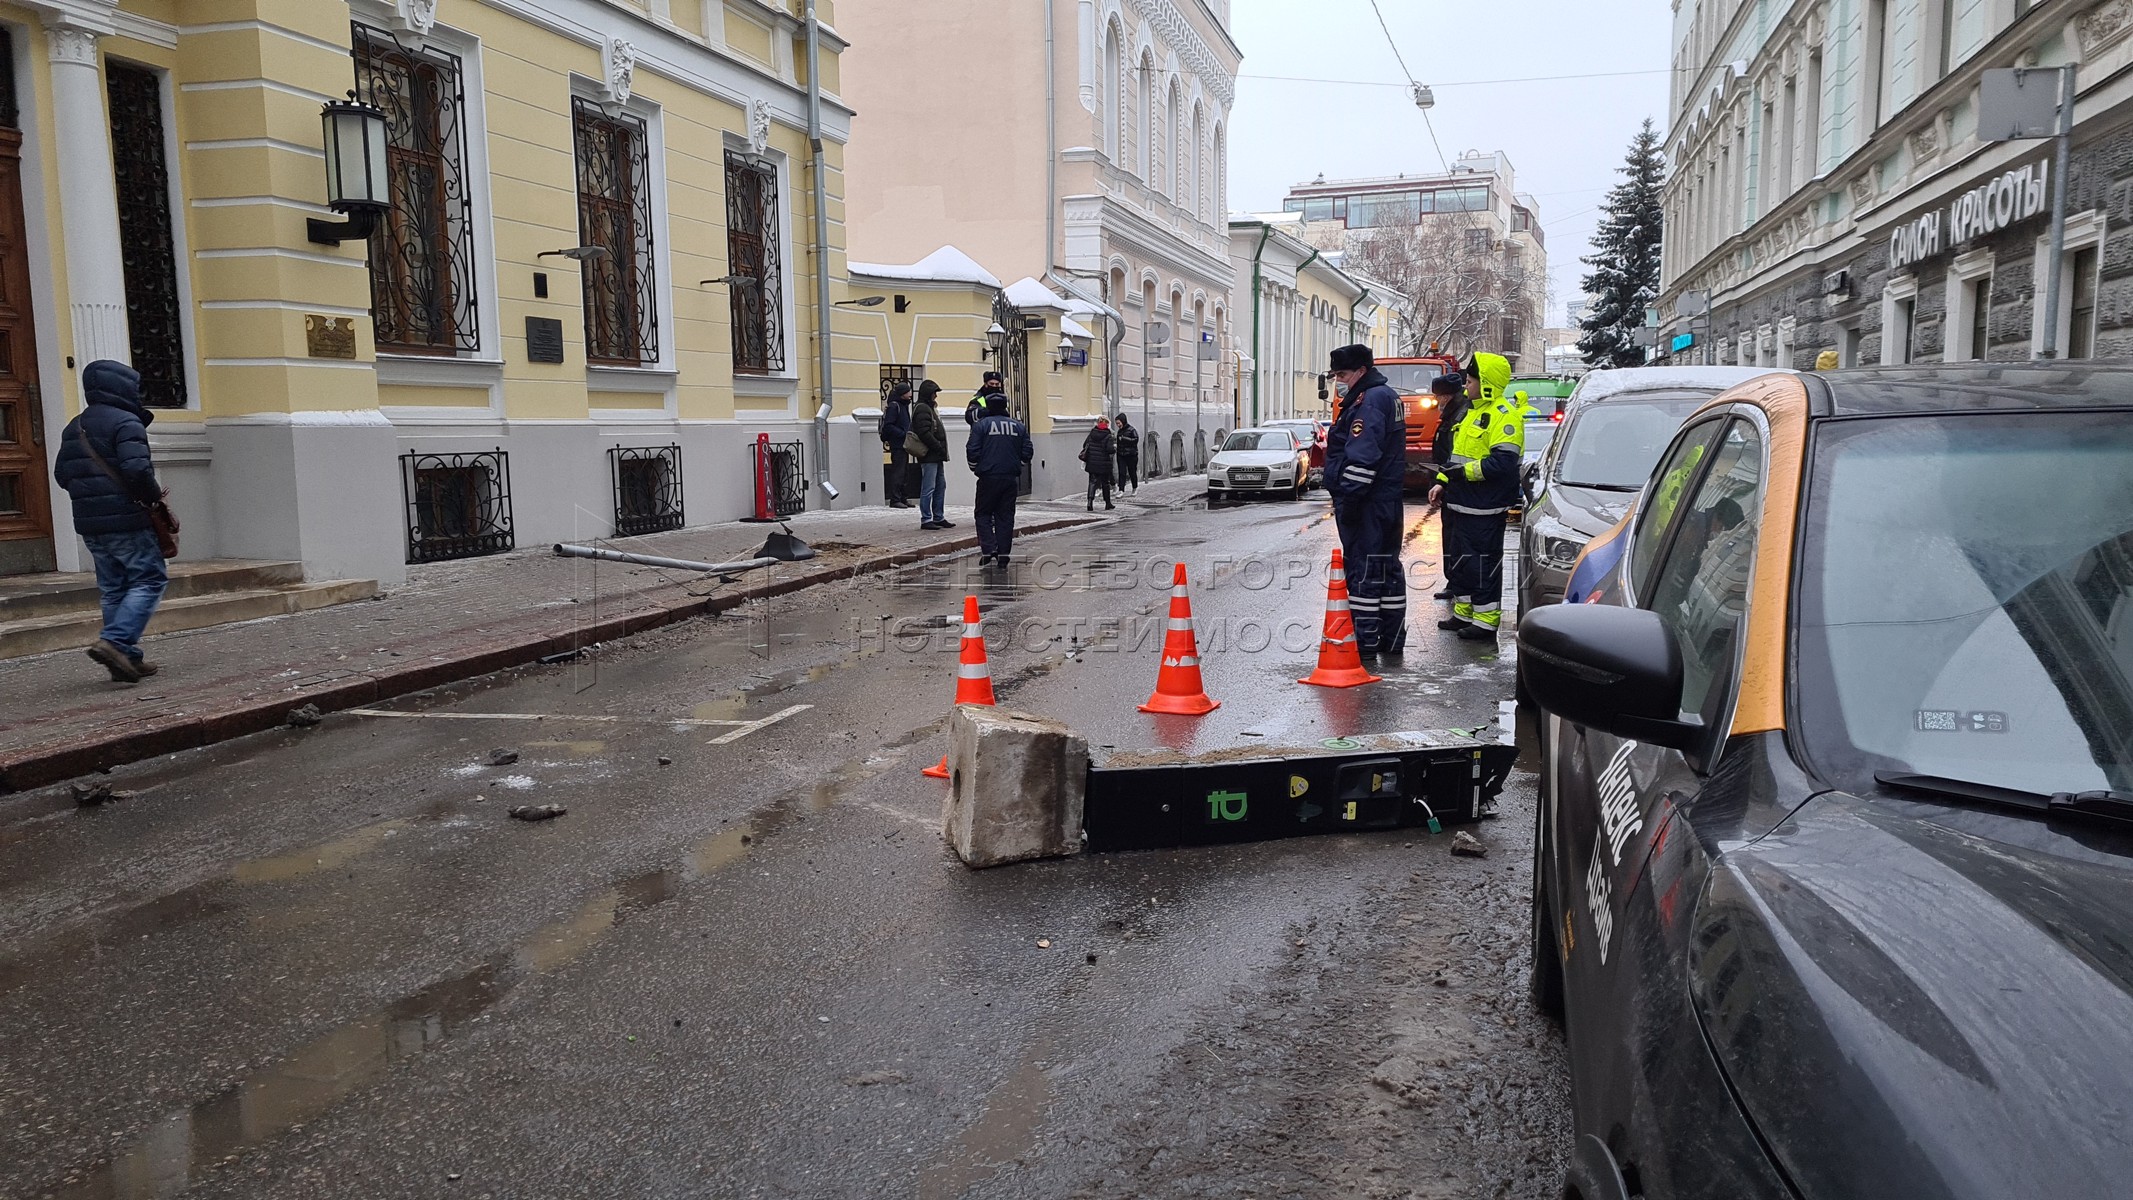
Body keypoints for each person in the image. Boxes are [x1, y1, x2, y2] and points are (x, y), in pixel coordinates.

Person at [52, 360, 169, 683]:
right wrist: (153, 497)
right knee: (149, 579)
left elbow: (62, 475)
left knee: (113, 588)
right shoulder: (126, 422)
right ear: (120, 387)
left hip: (90, 523)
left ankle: (126, 657)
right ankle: (116, 642)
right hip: (127, 518)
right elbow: (137, 471)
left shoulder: (74, 426)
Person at [1431, 352, 1525, 641]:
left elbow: (1502, 464)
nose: (1465, 386)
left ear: (1486, 384)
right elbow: (1456, 457)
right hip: (1461, 503)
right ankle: (1463, 614)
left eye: (1470, 381)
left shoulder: (1503, 417)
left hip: (1484, 507)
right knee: (1461, 563)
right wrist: (1442, 481)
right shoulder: (1471, 413)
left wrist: (1460, 475)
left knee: (1482, 565)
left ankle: (1484, 623)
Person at [1322, 344, 1408, 657]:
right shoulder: (1383, 396)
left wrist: (1350, 502)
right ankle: (1391, 639)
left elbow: (1361, 458)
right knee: (1386, 571)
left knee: (1365, 571)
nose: (1338, 380)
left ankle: (1366, 643)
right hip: (1385, 501)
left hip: (1368, 502)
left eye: (1342, 374)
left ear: (1361, 371)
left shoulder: (1370, 400)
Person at [966, 387, 1033, 567]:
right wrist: (1017, 465)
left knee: (983, 513)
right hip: (1010, 478)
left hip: (987, 477)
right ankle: (1003, 553)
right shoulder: (1018, 426)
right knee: (1005, 515)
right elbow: (1028, 452)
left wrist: (976, 468)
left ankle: (989, 549)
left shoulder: (981, 425)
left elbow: (972, 450)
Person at [1425, 369, 1469, 600]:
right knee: (1450, 535)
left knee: (1455, 537)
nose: (1435, 401)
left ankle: (1457, 584)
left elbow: (1455, 455)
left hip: (1457, 485)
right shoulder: (1452, 414)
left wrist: (1443, 480)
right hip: (1450, 483)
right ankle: (1453, 581)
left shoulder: (1459, 416)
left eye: (1437, 397)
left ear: (1446, 396)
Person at [912, 379, 953, 530]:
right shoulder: (923, 409)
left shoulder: (929, 408)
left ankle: (938, 516)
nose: (936, 395)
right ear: (928, 394)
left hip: (936, 455)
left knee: (940, 486)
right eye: (934, 392)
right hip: (930, 454)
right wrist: (937, 447)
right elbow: (924, 432)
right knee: (929, 487)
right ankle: (926, 518)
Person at [880, 382, 913, 508]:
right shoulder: (895, 406)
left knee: (905, 471)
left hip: (904, 443)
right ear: (902, 393)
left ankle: (903, 497)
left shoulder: (903, 405)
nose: (910, 394)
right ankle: (895, 499)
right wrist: (903, 434)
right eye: (908, 391)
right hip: (898, 444)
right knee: (898, 471)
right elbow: (889, 426)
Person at [1080, 416, 1116, 512]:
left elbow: (1085, 445)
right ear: (1107, 424)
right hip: (1103, 463)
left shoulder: (1092, 433)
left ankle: (1089, 502)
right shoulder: (1108, 435)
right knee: (1105, 483)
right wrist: (1114, 448)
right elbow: (1110, 450)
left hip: (1092, 462)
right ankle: (1107, 503)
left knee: (1092, 482)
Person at [1114, 412, 1140, 493]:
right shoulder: (1119, 431)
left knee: (1132, 472)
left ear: (1123, 421)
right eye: (1117, 423)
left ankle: (1134, 487)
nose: (1118, 425)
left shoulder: (1131, 430)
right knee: (1122, 472)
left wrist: (1125, 439)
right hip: (1121, 455)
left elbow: (1135, 440)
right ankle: (1121, 490)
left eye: (1119, 423)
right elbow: (1118, 441)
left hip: (1131, 455)